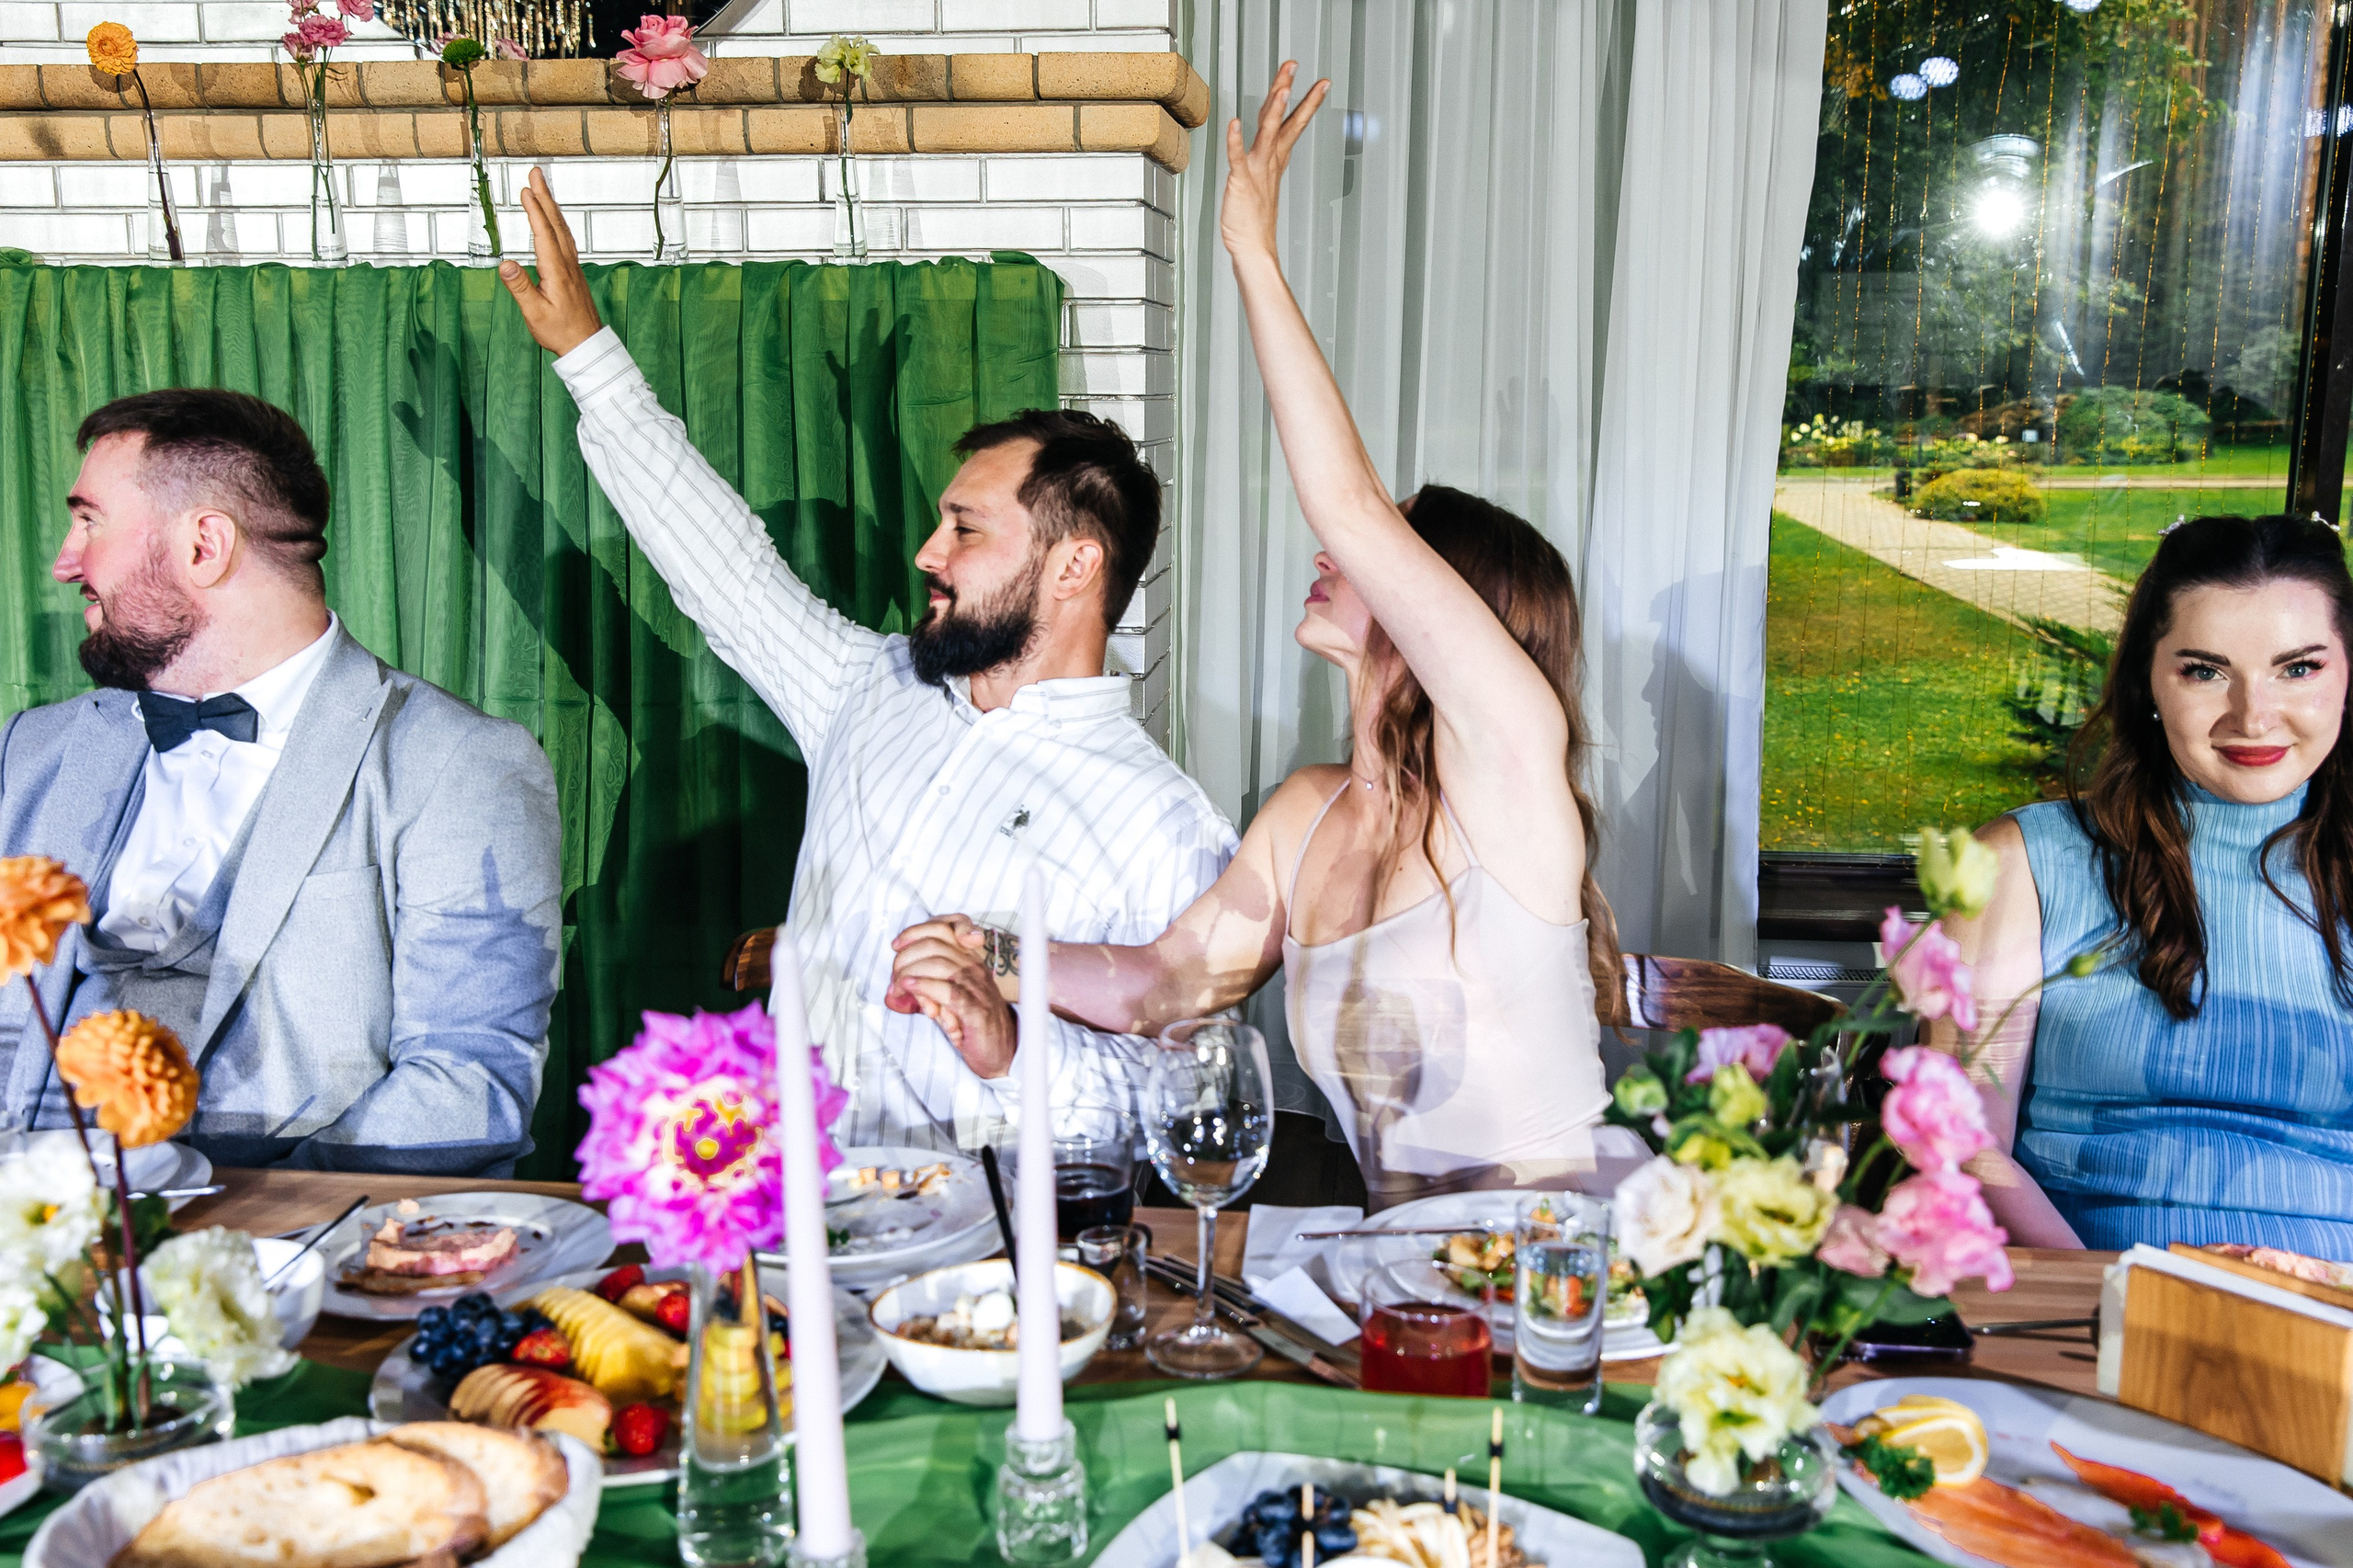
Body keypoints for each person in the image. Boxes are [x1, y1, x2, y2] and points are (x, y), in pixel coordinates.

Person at [887, 64, 1632, 1209]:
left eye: (1396, 551)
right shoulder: (1306, 815)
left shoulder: (1507, 769)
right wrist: (988, 952)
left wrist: (1250, 252)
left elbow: (1350, 511)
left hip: (1558, 1255)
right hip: (1392, 1265)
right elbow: (1160, 985)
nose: (1337, 551)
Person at [496, 172, 1234, 1153]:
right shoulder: (869, 686)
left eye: (965, 528)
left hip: (985, 1229)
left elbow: (1182, 1108)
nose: (928, 552)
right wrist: (591, 358)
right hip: (792, 1195)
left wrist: (1011, 1045)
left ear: (1074, 566)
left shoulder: (1163, 824)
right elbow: (724, 569)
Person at [0, 389, 562, 1174]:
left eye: (90, 522)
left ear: (205, 546)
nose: (66, 561)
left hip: (279, 1227)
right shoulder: (32, 748)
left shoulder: (457, 762)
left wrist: (240, 1220)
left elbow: (470, 1086)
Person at [1944, 513, 2353, 1254]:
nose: (2253, 716)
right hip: (2085, 1292)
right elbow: (1960, 1141)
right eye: (2205, 671)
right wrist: (2109, 1292)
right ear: (2149, 680)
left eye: (2298, 669)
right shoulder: (2018, 863)